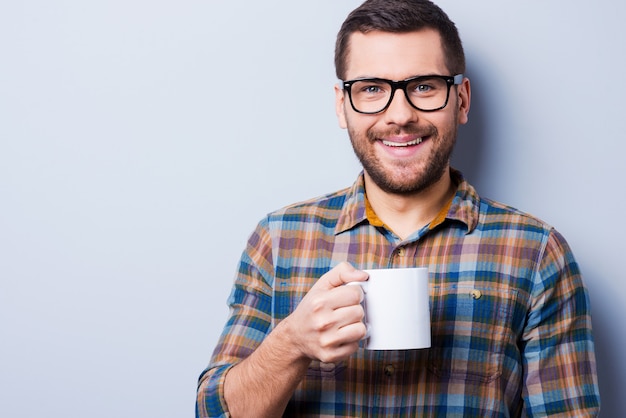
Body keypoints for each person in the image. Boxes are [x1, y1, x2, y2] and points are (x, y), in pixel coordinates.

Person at [196, 0, 601, 416]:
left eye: (424, 86)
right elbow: (213, 412)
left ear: (460, 100)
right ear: (342, 105)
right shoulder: (279, 240)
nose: (400, 115)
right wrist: (292, 344)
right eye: (371, 89)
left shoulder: (535, 254)